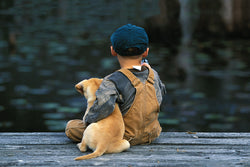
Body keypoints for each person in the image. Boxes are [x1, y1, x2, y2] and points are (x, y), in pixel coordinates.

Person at [65, 24, 166, 145]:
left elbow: (102, 109)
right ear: (146, 52)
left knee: (72, 128)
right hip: (151, 134)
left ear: (113, 50)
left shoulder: (112, 81)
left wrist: (88, 121)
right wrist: (151, 71)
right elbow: (160, 94)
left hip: (123, 136)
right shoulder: (153, 74)